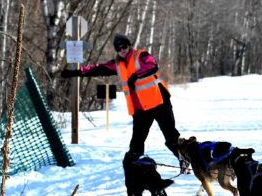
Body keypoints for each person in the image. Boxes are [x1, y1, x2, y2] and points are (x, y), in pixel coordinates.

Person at [60, 34, 187, 171]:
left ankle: (185, 159)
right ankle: (134, 166)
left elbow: (152, 66)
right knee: (137, 141)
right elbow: (98, 68)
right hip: (140, 108)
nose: (122, 50)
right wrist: (76, 72)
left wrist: (135, 76)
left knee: (170, 135)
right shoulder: (118, 64)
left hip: (159, 101)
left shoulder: (141, 55)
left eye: (125, 46)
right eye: (119, 48)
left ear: (129, 45)